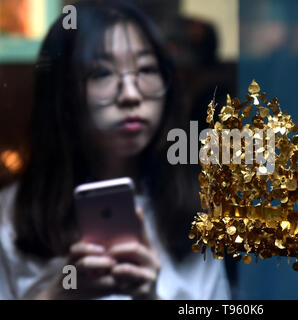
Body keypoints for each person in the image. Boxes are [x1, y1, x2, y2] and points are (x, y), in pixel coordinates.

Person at [0, 0, 231, 300]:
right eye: (102, 73)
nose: (131, 95)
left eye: (147, 68)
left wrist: (150, 296)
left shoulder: (192, 211)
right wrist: (60, 294)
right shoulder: (11, 215)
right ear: (63, 92)